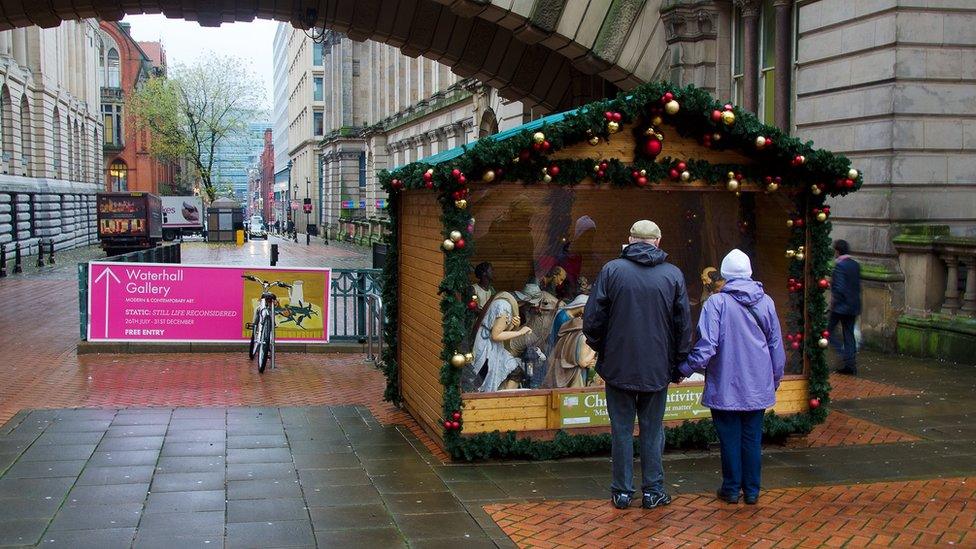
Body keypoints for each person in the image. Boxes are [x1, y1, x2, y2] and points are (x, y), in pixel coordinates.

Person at [583, 220, 691, 510]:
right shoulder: (672, 275)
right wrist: (679, 363)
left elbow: (592, 319)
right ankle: (653, 490)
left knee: (620, 429)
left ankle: (621, 492)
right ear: (657, 241)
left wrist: (600, 347)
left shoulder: (612, 270)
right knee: (653, 429)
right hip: (657, 366)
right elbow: (683, 326)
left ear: (630, 239)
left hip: (618, 364)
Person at [677, 249, 785, 506]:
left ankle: (731, 488)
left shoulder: (716, 303)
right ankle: (752, 490)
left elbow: (707, 346)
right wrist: (775, 379)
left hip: (725, 383)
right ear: (748, 272)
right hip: (757, 384)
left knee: (729, 440)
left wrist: (684, 369)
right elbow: (776, 346)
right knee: (752, 438)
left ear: (725, 274)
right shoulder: (766, 302)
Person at [470, 291, 532, 393]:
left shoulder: (503, 304)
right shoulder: (504, 307)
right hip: (488, 348)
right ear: (520, 303)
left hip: (492, 345)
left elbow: (499, 328)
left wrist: (513, 326)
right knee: (483, 377)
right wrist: (520, 332)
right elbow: (496, 335)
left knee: (515, 371)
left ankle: (504, 398)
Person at [829, 239, 861, 375]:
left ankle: (844, 354)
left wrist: (834, 303)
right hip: (854, 306)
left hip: (841, 307)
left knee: (827, 331)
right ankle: (850, 364)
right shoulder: (855, 264)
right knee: (848, 334)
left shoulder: (840, 266)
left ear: (837, 251)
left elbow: (839, 288)